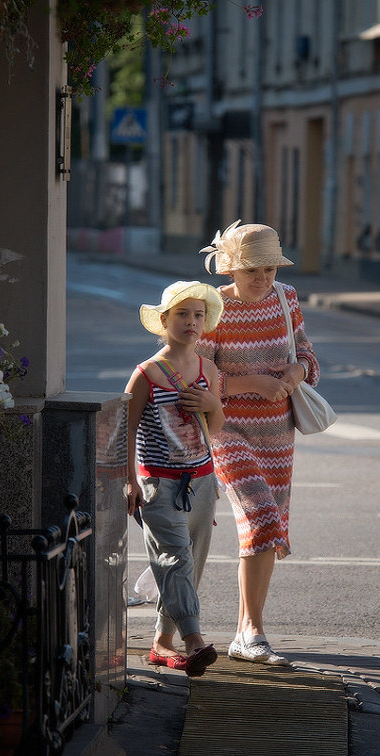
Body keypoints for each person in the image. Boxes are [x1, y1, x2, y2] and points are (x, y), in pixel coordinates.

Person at [196, 220, 321, 666]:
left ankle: (246, 631)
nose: (262, 278)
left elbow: (305, 352)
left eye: (269, 268)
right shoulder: (212, 308)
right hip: (227, 431)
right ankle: (252, 633)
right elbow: (200, 375)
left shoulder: (286, 299)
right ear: (229, 268)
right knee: (262, 516)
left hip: (278, 434)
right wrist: (252, 382)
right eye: (252, 269)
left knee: (267, 532)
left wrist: (296, 372)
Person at [125, 280, 226, 677]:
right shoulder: (146, 374)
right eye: (182, 314)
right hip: (159, 485)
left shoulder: (209, 370)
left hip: (202, 481)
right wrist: (130, 483)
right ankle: (194, 640)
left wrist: (212, 403)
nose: (191, 322)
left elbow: (215, 428)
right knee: (175, 559)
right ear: (163, 321)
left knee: (188, 567)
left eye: (198, 315)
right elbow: (122, 434)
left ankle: (162, 643)